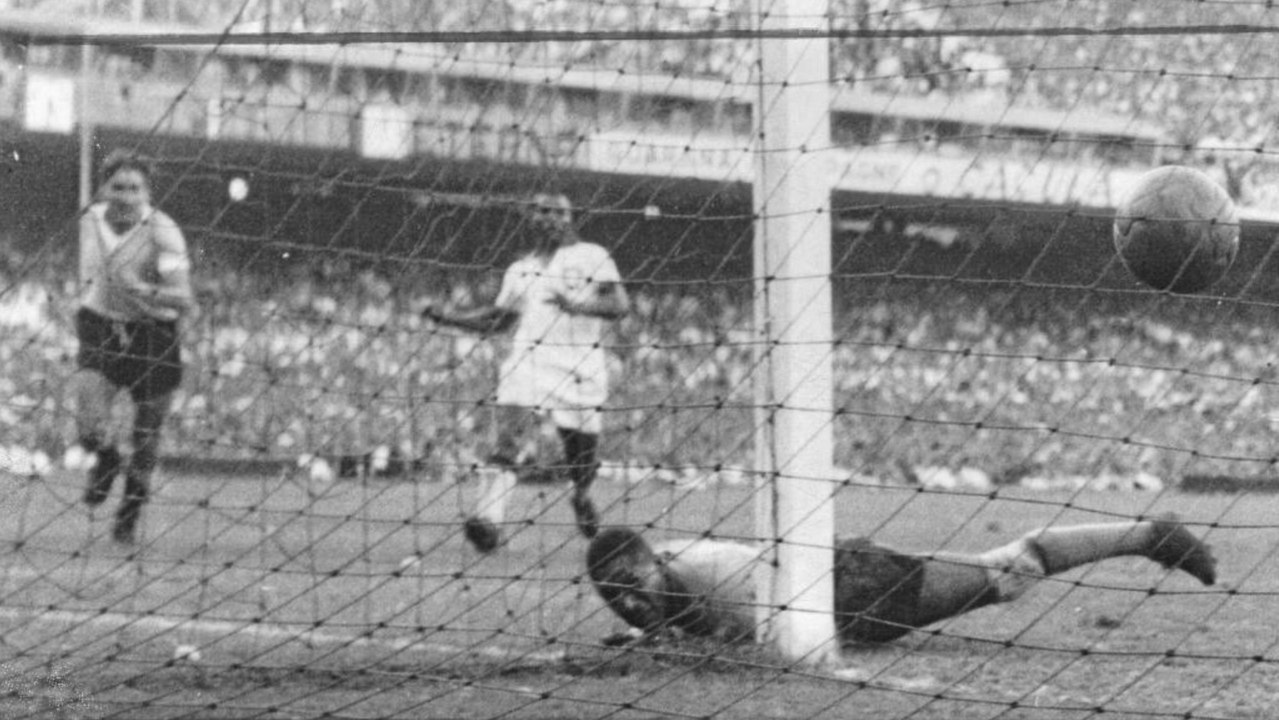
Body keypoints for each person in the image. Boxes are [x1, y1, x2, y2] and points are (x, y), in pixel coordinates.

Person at [586, 514, 1217, 645]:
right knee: (1004, 570)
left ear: (655, 562)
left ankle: (1149, 536)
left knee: (1012, 572)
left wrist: (675, 641)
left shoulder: (709, 577)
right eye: (613, 596)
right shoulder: (663, 574)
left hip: (856, 588)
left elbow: (768, 631)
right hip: (838, 582)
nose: (627, 601)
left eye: (630, 583)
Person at [423, 193, 630, 553]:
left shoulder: (592, 256)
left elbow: (618, 305)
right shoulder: (520, 269)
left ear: (569, 217)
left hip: (581, 367)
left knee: (581, 458)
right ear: (530, 218)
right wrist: (448, 318)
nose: (546, 217)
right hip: (529, 361)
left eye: (555, 211)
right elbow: (499, 319)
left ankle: (580, 494)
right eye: (539, 211)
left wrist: (576, 305)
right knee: (509, 441)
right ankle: (488, 520)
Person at [71, 149, 195, 545]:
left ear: (147, 193)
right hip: (101, 327)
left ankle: (129, 514)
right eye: (118, 186)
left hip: (154, 335)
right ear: (104, 189)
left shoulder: (164, 232)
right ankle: (106, 458)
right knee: (89, 422)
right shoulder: (90, 220)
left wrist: (140, 287)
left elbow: (183, 298)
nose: (125, 195)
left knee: (146, 436)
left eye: (134, 188)